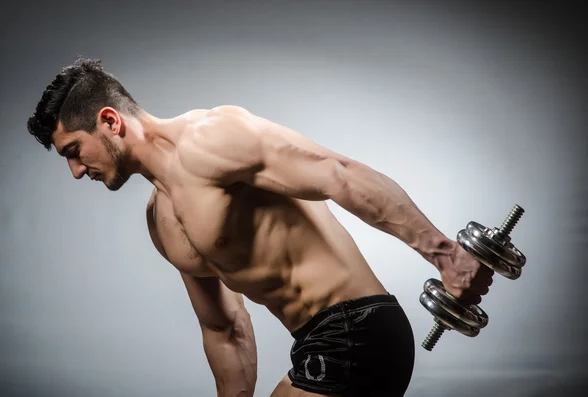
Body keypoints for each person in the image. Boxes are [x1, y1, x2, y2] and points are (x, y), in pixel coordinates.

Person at [26, 57, 494, 397]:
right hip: (314, 346)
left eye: (73, 150)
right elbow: (224, 330)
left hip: (360, 328)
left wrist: (445, 255)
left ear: (110, 121)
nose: (75, 170)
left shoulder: (210, 140)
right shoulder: (161, 222)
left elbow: (339, 174)